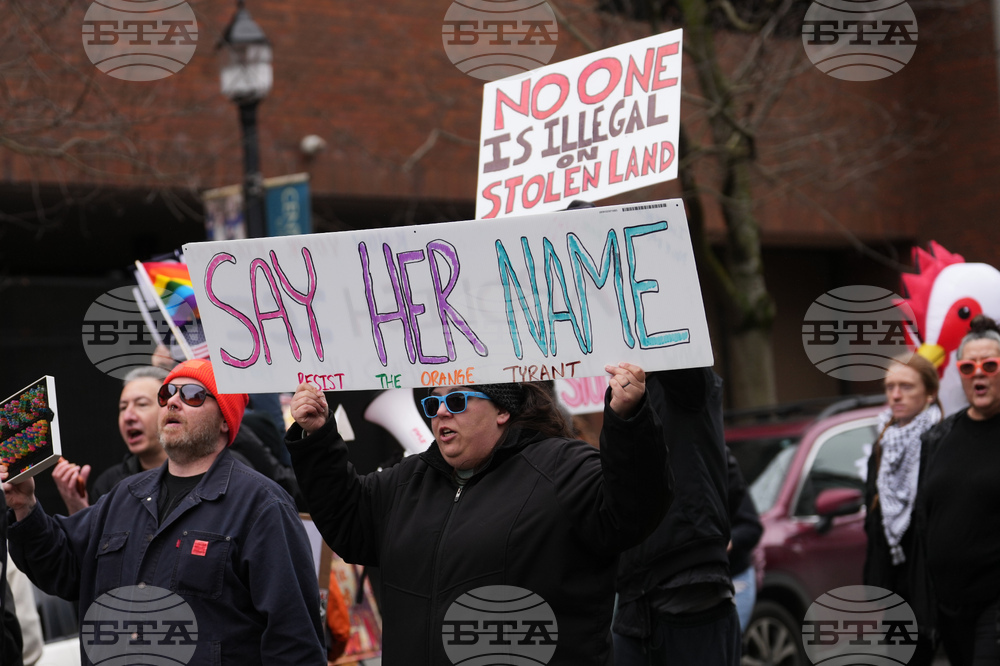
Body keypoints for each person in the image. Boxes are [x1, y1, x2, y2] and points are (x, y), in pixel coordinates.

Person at [287, 362, 671, 665]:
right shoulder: (408, 481)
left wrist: (628, 422)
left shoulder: (561, 468)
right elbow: (349, 523)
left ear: (502, 409)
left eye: (456, 402)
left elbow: (633, 510)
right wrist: (318, 438)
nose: (440, 414)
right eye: (432, 404)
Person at [2, 359, 326, 666]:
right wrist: (25, 506)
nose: (173, 402)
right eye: (166, 393)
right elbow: (60, 566)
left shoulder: (262, 506)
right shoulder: (123, 497)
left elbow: (294, 640)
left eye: (194, 395)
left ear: (226, 419)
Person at [614, 368, 741, 666]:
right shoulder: (625, 391)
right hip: (636, 594)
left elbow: (680, 349)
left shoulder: (685, 375)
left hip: (688, 587)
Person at [913, 315, 1000, 666]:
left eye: (990, 364)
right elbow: (923, 521)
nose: (978, 373)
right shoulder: (939, 437)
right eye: (968, 366)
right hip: (948, 609)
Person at [862, 354, 940, 664]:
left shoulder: (940, 440)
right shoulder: (882, 442)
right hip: (896, 585)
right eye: (890, 386)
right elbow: (874, 518)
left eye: (906, 386)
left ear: (930, 393)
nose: (895, 395)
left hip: (933, 584)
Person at [53, 366, 170, 513]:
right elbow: (92, 536)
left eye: (141, 404)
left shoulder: (195, 475)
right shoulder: (110, 485)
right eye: (123, 407)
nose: (128, 416)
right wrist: (78, 509)